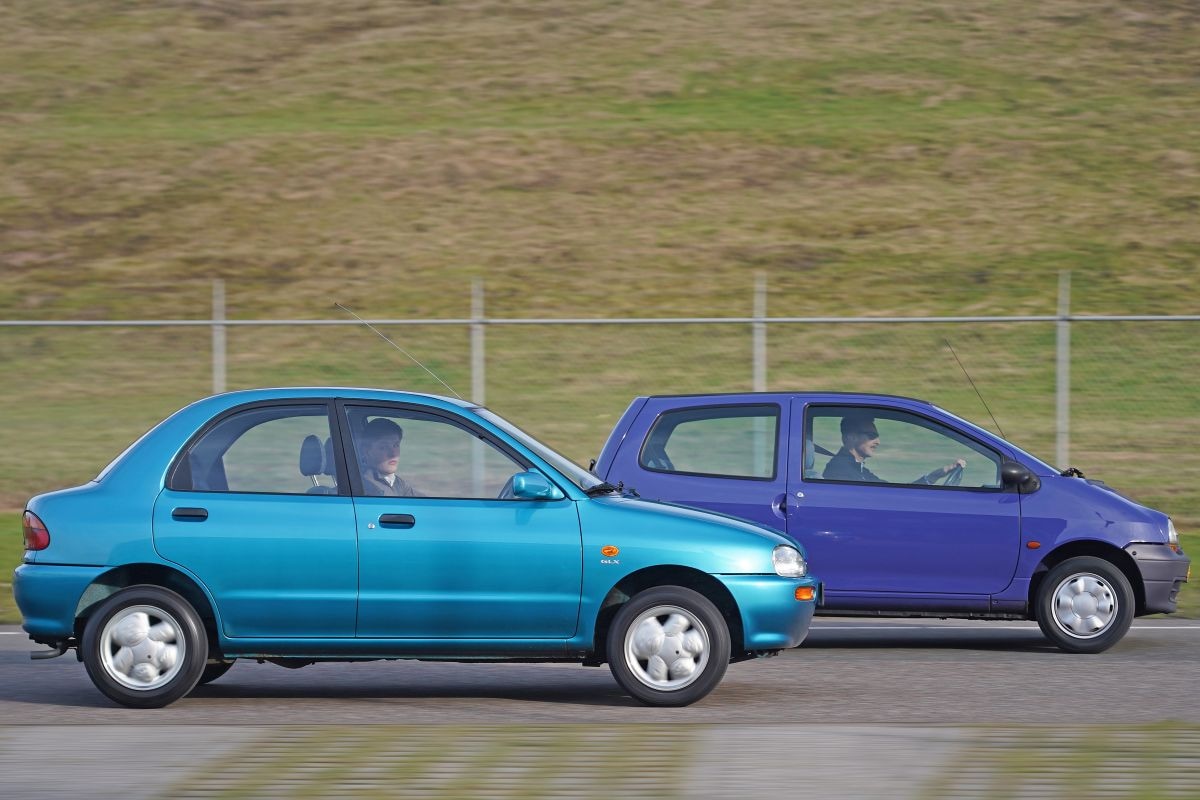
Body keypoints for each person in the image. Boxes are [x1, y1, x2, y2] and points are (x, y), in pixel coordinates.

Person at [822, 412, 965, 484]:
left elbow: (898, 494)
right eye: (871, 435)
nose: (878, 441)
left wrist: (938, 474)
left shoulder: (858, 469)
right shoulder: (840, 471)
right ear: (850, 437)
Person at [359, 417, 422, 497]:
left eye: (396, 445)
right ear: (366, 451)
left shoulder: (397, 482)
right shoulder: (367, 487)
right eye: (384, 447)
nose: (393, 454)